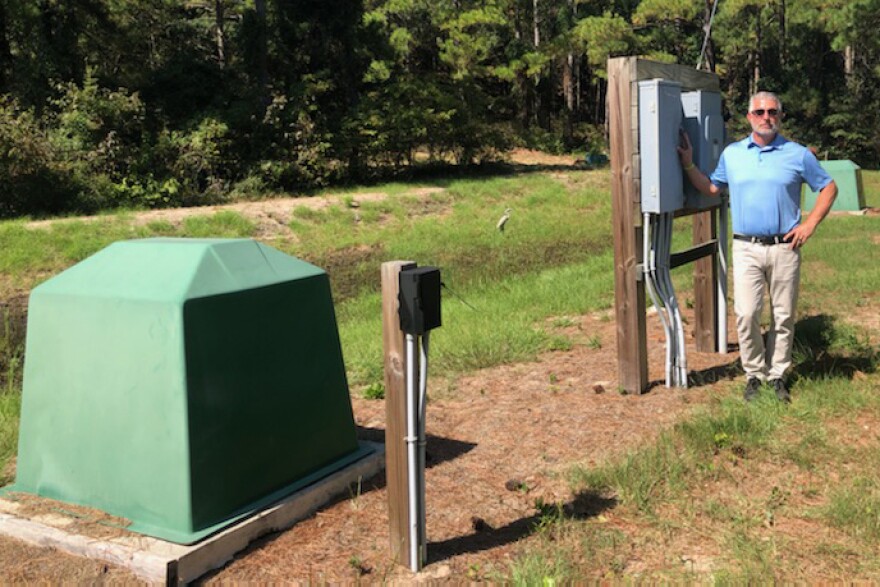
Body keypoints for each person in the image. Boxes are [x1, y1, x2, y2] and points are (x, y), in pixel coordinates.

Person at [677, 91, 838, 402]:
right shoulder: (733, 154)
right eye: (761, 112)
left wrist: (810, 224)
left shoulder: (798, 154)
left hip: (784, 248)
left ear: (780, 117)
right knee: (747, 313)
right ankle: (754, 374)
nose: (767, 117)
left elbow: (828, 187)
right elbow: (712, 187)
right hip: (746, 247)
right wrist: (687, 165)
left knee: (783, 314)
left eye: (773, 112)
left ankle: (777, 375)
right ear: (749, 117)